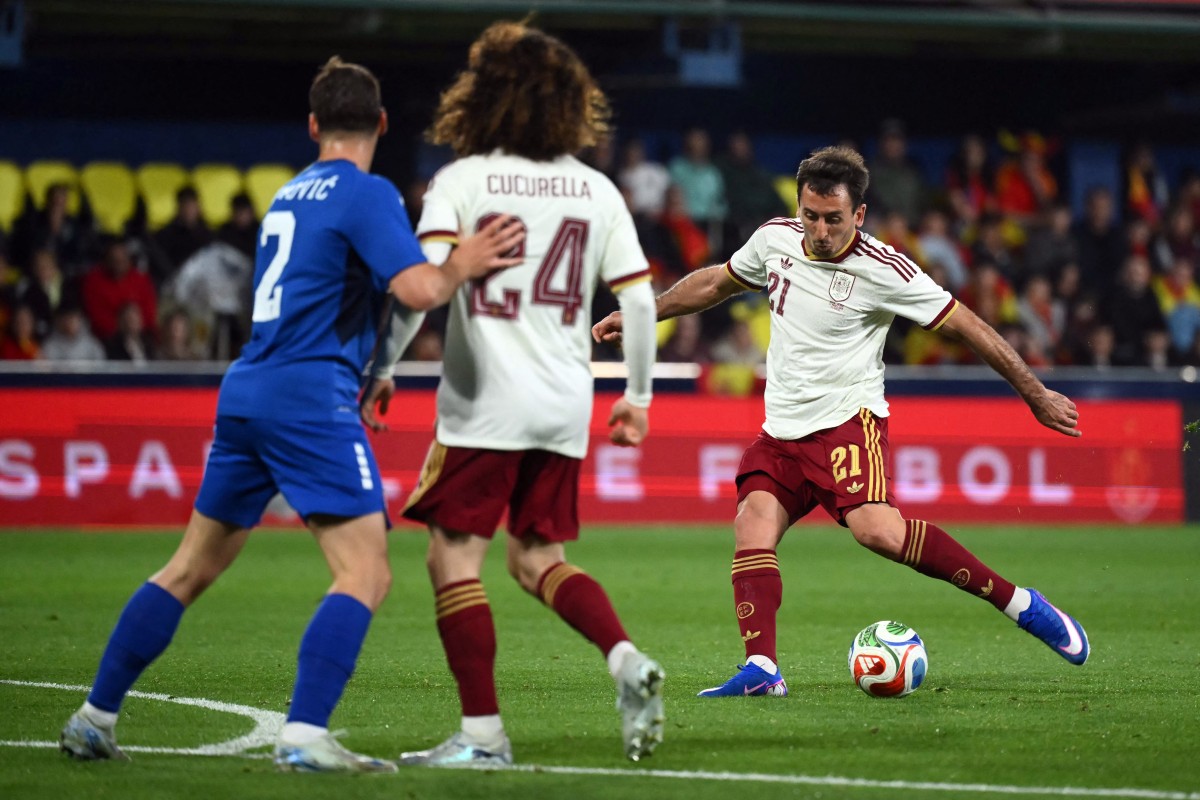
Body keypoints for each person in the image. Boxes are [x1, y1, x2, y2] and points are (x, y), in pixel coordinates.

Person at [58, 56, 524, 773]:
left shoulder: (289, 193)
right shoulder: (367, 195)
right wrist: (464, 261)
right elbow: (421, 287)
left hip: (248, 389)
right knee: (365, 573)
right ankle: (305, 734)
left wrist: (372, 369)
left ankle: (95, 715)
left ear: (313, 126)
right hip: (308, 399)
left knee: (188, 567)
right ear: (382, 124)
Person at [593, 146, 1089, 699]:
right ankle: (762, 669)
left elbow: (968, 326)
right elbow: (716, 284)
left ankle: (1020, 603)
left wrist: (1035, 393)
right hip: (780, 431)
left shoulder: (885, 269)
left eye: (833, 219)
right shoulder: (776, 238)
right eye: (811, 215)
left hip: (846, 424)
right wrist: (645, 313)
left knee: (877, 531)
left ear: (859, 214)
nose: (820, 231)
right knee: (751, 526)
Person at [364, 20, 663, 767]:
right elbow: (640, 302)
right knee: (536, 558)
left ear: (484, 96)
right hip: (565, 401)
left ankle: (483, 735)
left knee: (451, 560)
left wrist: (381, 367)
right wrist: (638, 396)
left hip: (486, 402)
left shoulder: (462, 181)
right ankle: (626, 659)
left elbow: (421, 291)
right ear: (570, 104)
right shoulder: (597, 189)